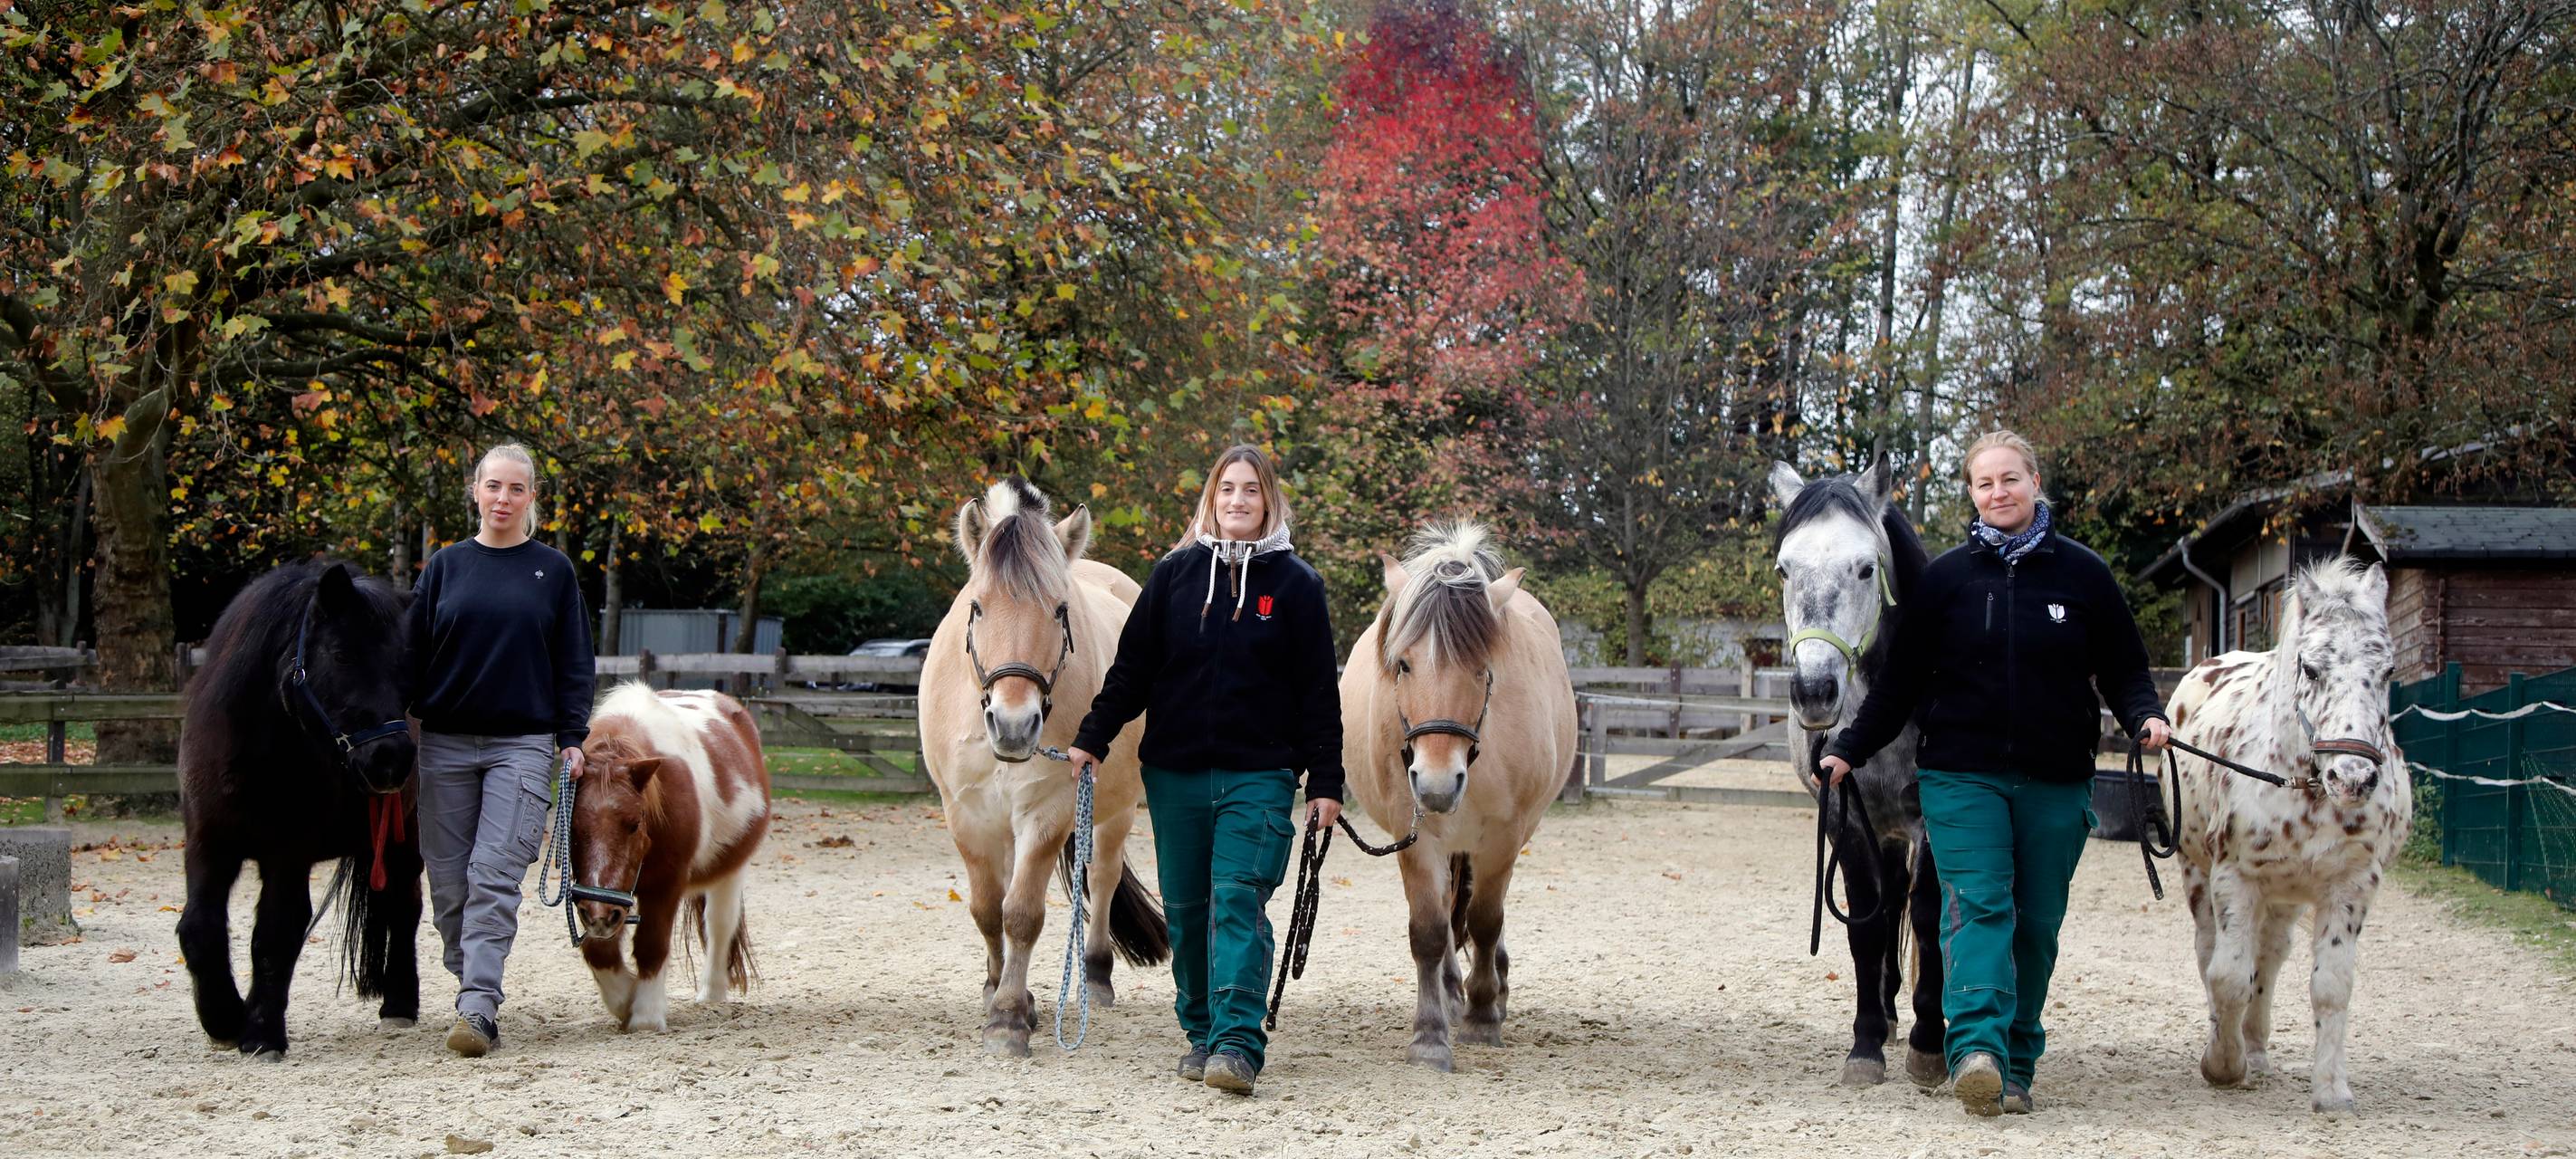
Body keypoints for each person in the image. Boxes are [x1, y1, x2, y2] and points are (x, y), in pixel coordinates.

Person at [1818, 429, 2169, 1116]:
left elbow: (2125, 667)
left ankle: (2017, 1062)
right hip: (1961, 775)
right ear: (1972, 495)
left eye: (2010, 479)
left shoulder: (2084, 575)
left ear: (2035, 482)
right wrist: (1849, 747)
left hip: (2057, 780)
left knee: (2034, 923)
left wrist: (2144, 717)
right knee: (1976, 907)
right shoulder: (1947, 580)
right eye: (1985, 483)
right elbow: (1898, 684)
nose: (1998, 493)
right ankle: (1976, 1051)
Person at [1066, 444, 1344, 1097]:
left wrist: (1327, 780)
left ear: (1269, 500)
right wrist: (1092, 738)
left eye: (1251, 490)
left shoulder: (1298, 586)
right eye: (1227, 490)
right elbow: (1132, 670)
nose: (1238, 501)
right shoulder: (1175, 575)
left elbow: (1317, 693)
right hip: (1176, 774)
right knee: (1189, 913)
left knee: (1239, 905)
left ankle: (1237, 1045)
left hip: (1263, 774)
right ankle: (1200, 1032)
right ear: (1211, 500)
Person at [404, 443, 596, 1057]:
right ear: (476, 492)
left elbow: (573, 661)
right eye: (493, 487)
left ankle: (479, 1008)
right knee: (450, 883)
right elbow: (410, 655)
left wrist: (572, 736)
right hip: (444, 744)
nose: (503, 500)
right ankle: (472, 983)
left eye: (516, 489)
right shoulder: (444, 568)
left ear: (531, 497)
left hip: (522, 744)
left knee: (492, 874)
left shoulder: (554, 571)